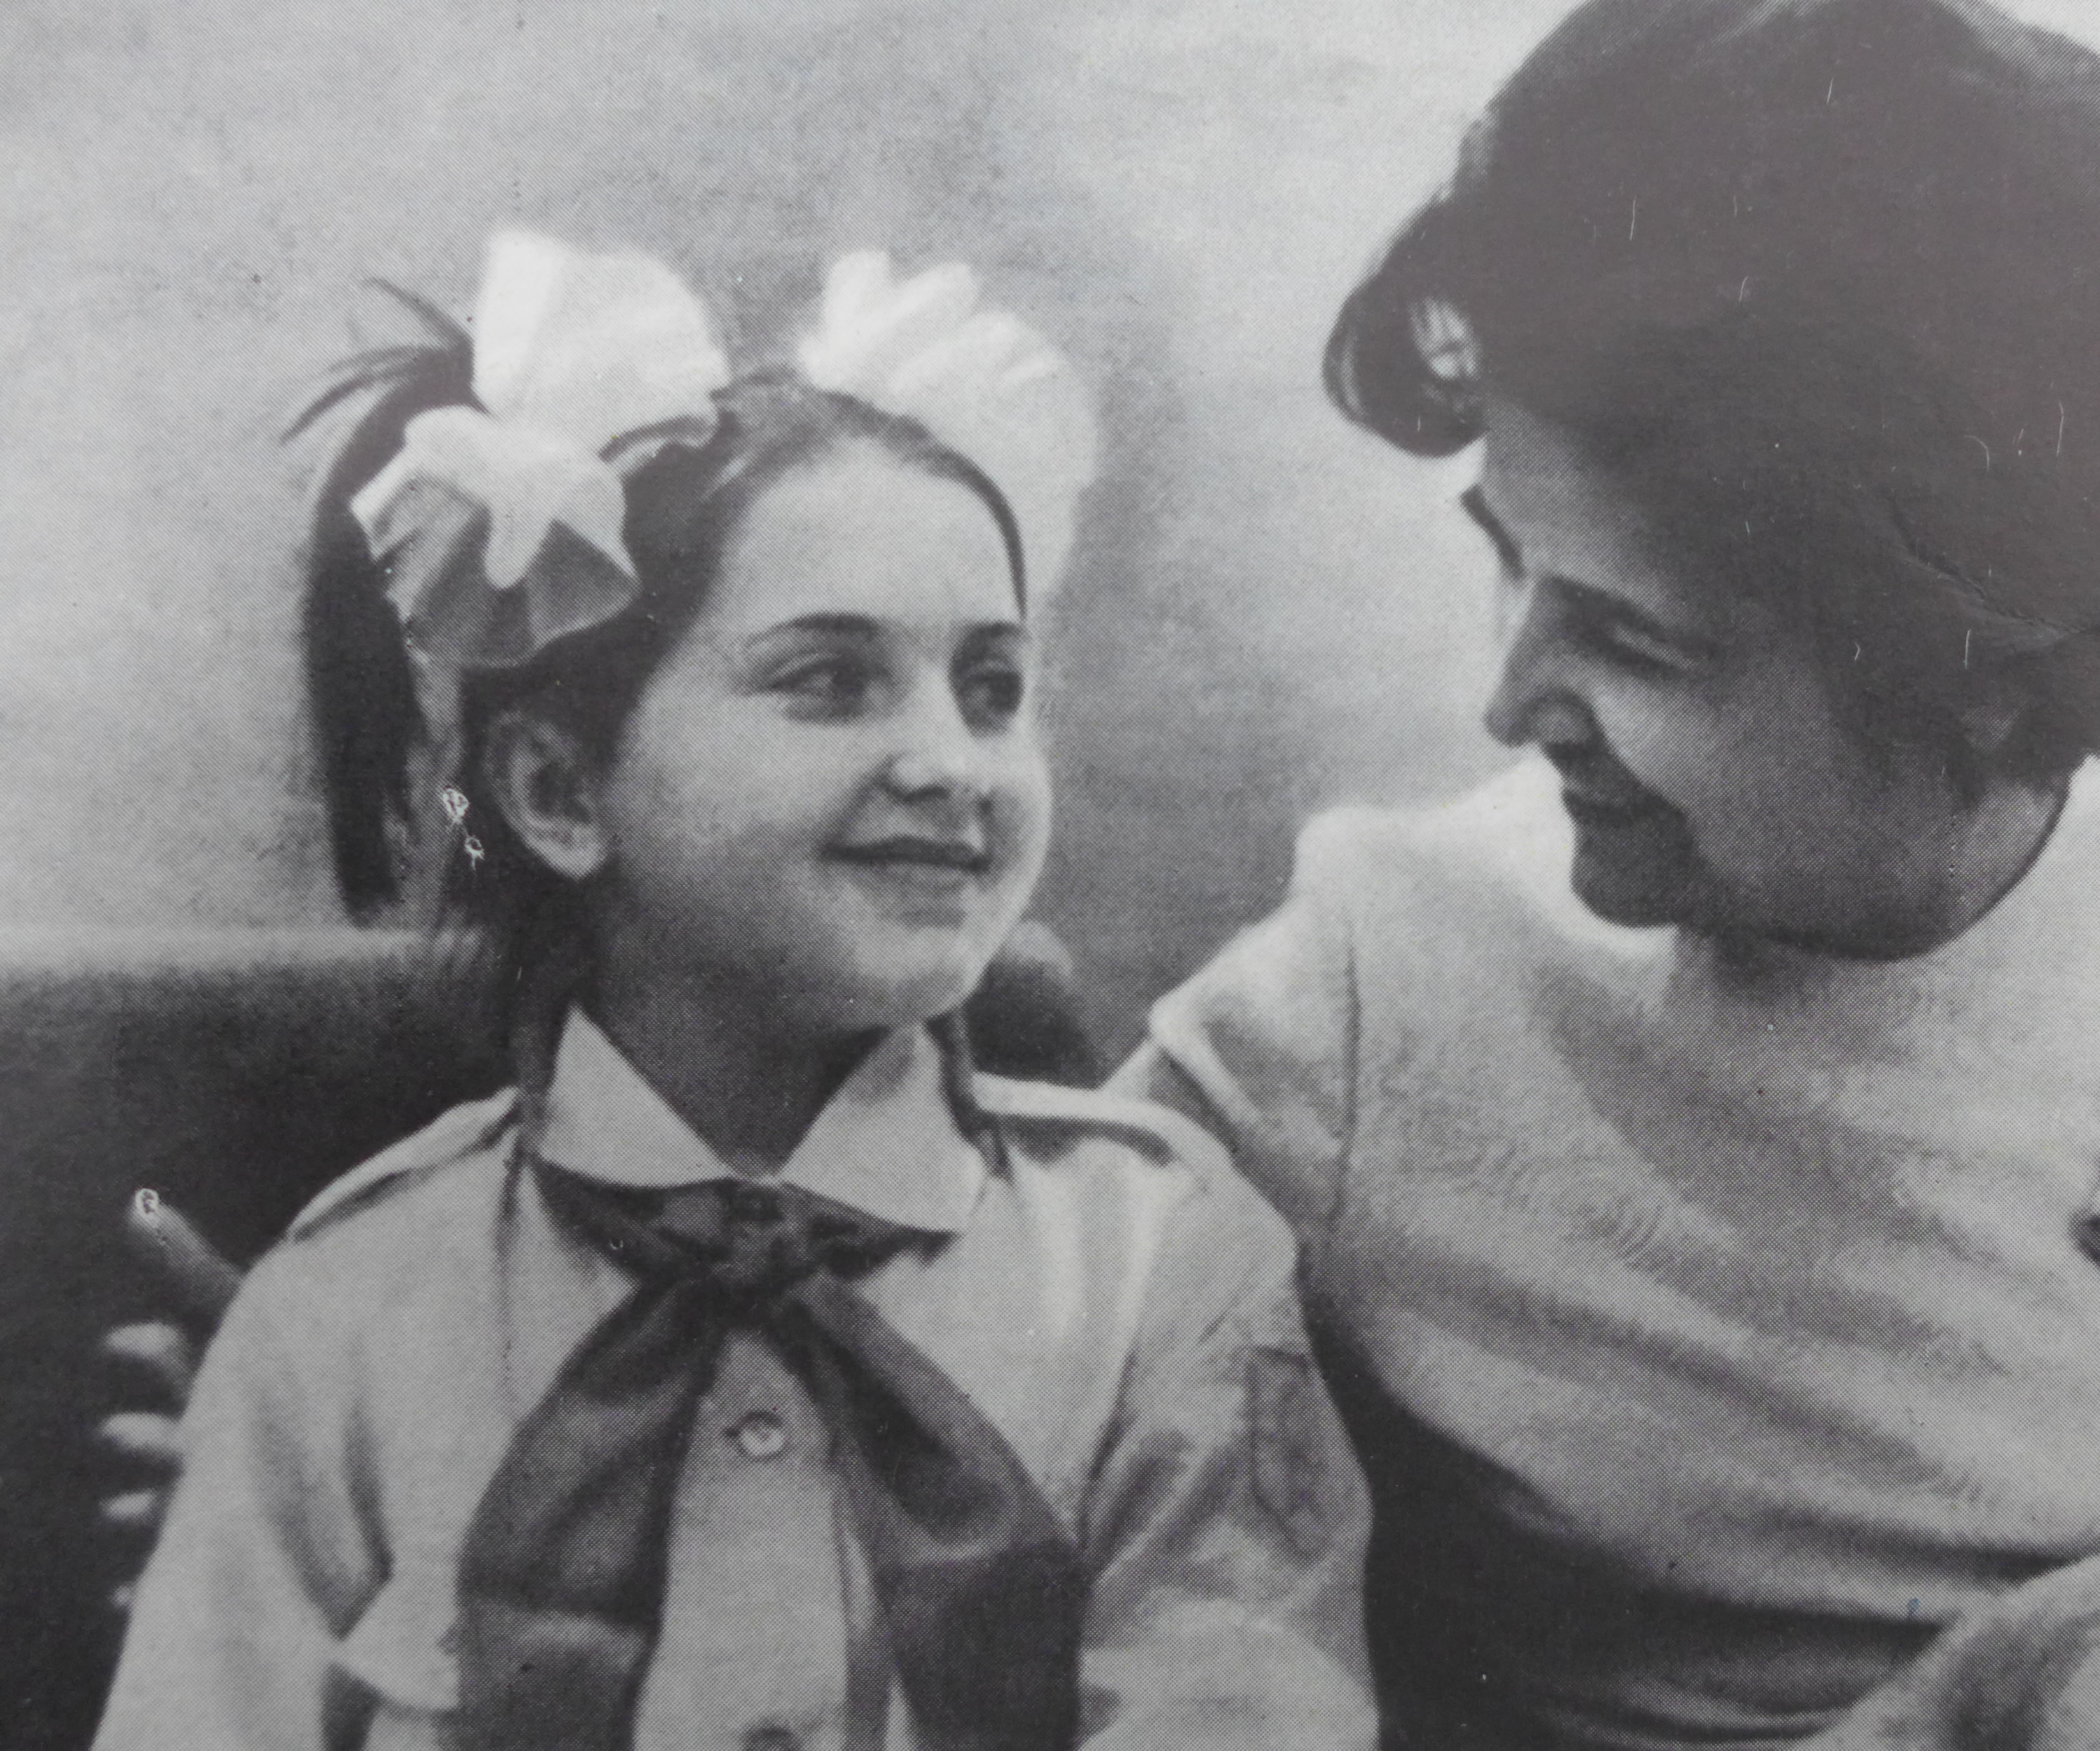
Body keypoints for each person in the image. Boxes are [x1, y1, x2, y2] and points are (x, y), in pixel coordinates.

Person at [1105, 0, 2100, 1745]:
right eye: (1506, 561)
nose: (1506, 704)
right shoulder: (1366, 980)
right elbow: (999, 1429)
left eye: (1635, 641)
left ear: (1968, 679)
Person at [91, 229, 1373, 1751]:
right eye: (828, 680)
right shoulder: (343, 1316)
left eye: (991, 688)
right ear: (559, 792)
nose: (949, 762)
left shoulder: (1160, 1262)